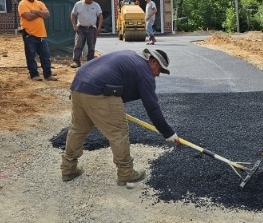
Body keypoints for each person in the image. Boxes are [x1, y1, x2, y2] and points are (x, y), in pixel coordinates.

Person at [60, 47, 180, 184]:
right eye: (160, 70)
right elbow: (152, 108)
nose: (158, 75)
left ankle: (68, 169)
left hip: (79, 86)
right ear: (153, 62)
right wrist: (168, 133)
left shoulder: (131, 57)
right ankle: (126, 173)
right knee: (118, 132)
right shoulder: (144, 72)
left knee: (78, 129)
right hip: (99, 91)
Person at [18, 0, 57, 81]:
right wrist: (40, 13)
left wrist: (35, 11)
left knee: (45, 56)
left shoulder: (39, 3)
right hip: (29, 34)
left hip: (42, 35)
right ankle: (34, 75)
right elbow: (28, 17)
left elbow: (47, 14)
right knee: (31, 56)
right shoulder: (22, 4)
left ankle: (48, 75)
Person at [70, 0, 104, 68]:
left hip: (92, 28)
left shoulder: (96, 5)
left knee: (91, 46)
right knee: (78, 45)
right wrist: (74, 25)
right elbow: (73, 14)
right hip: (81, 28)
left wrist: (99, 28)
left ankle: (90, 62)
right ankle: (76, 61)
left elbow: (100, 16)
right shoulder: (78, 4)